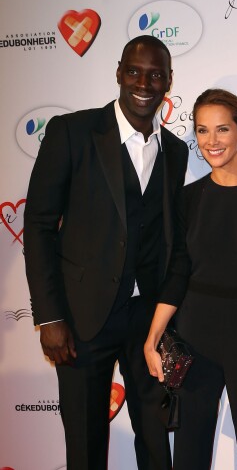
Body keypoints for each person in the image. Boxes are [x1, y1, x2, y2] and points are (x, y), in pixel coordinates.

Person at [23, 35, 189, 469]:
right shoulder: (72, 132)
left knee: (155, 438)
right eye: (134, 71)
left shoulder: (175, 151)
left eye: (156, 75)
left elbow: (168, 238)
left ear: (168, 81)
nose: (143, 83)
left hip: (146, 323)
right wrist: (50, 316)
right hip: (80, 318)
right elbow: (39, 225)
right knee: (85, 441)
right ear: (118, 72)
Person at [144, 88, 237, 470]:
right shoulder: (189, 198)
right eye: (203, 130)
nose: (212, 141)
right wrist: (154, 336)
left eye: (222, 129)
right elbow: (179, 270)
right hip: (196, 330)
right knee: (190, 450)